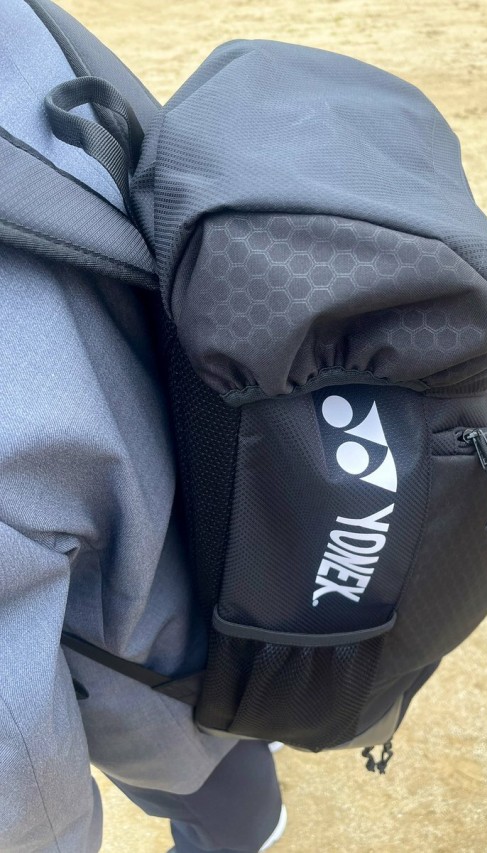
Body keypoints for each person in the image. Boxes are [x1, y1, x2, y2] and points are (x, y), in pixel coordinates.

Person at [0, 1, 285, 850]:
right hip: (205, 567)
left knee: (210, 782)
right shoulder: (22, 25)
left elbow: (31, 800)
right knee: (230, 794)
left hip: (147, 636)